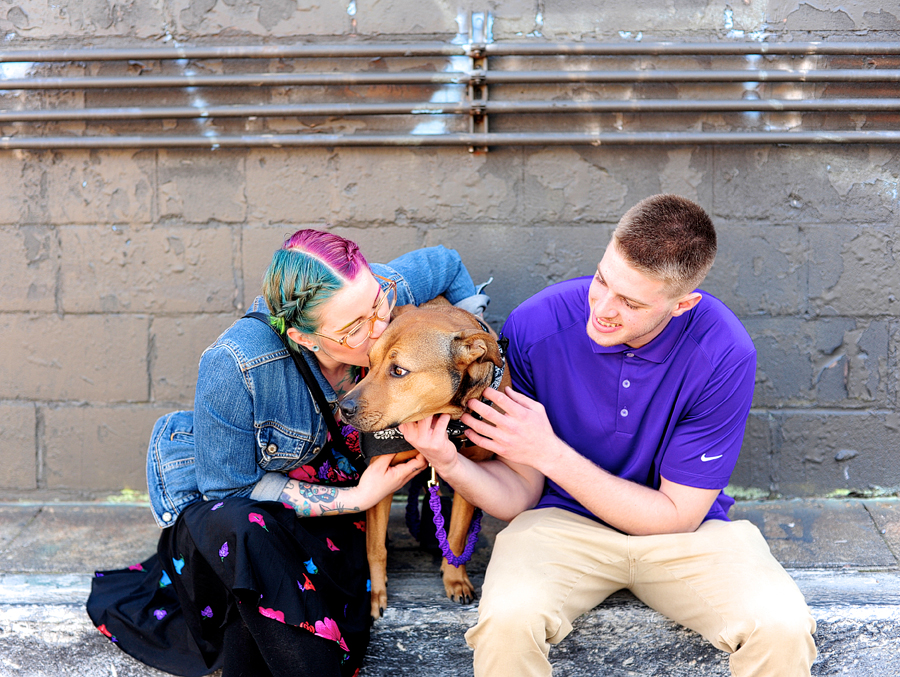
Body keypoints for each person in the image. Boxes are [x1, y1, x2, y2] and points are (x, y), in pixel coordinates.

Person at [401, 194, 817, 677]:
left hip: (688, 535)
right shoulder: (536, 326)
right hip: (559, 525)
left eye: (631, 302)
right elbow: (520, 495)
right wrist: (449, 461)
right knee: (506, 621)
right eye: (602, 280)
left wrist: (551, 453)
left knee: (783, 628)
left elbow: (677, 516)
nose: (601, 308)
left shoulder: (724, 351)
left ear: (684, 304)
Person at [86, 230, 485, 677]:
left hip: (323, 531)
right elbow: (228, 492)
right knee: (250, 542)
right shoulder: (235, 362)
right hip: (236, 527)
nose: (379, 328)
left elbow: (448, 263)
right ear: (304, 336)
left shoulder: (383, 299)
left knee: (258, 623)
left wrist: (467, 350)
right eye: (355, 327)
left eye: (377, 305)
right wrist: (356, 498)